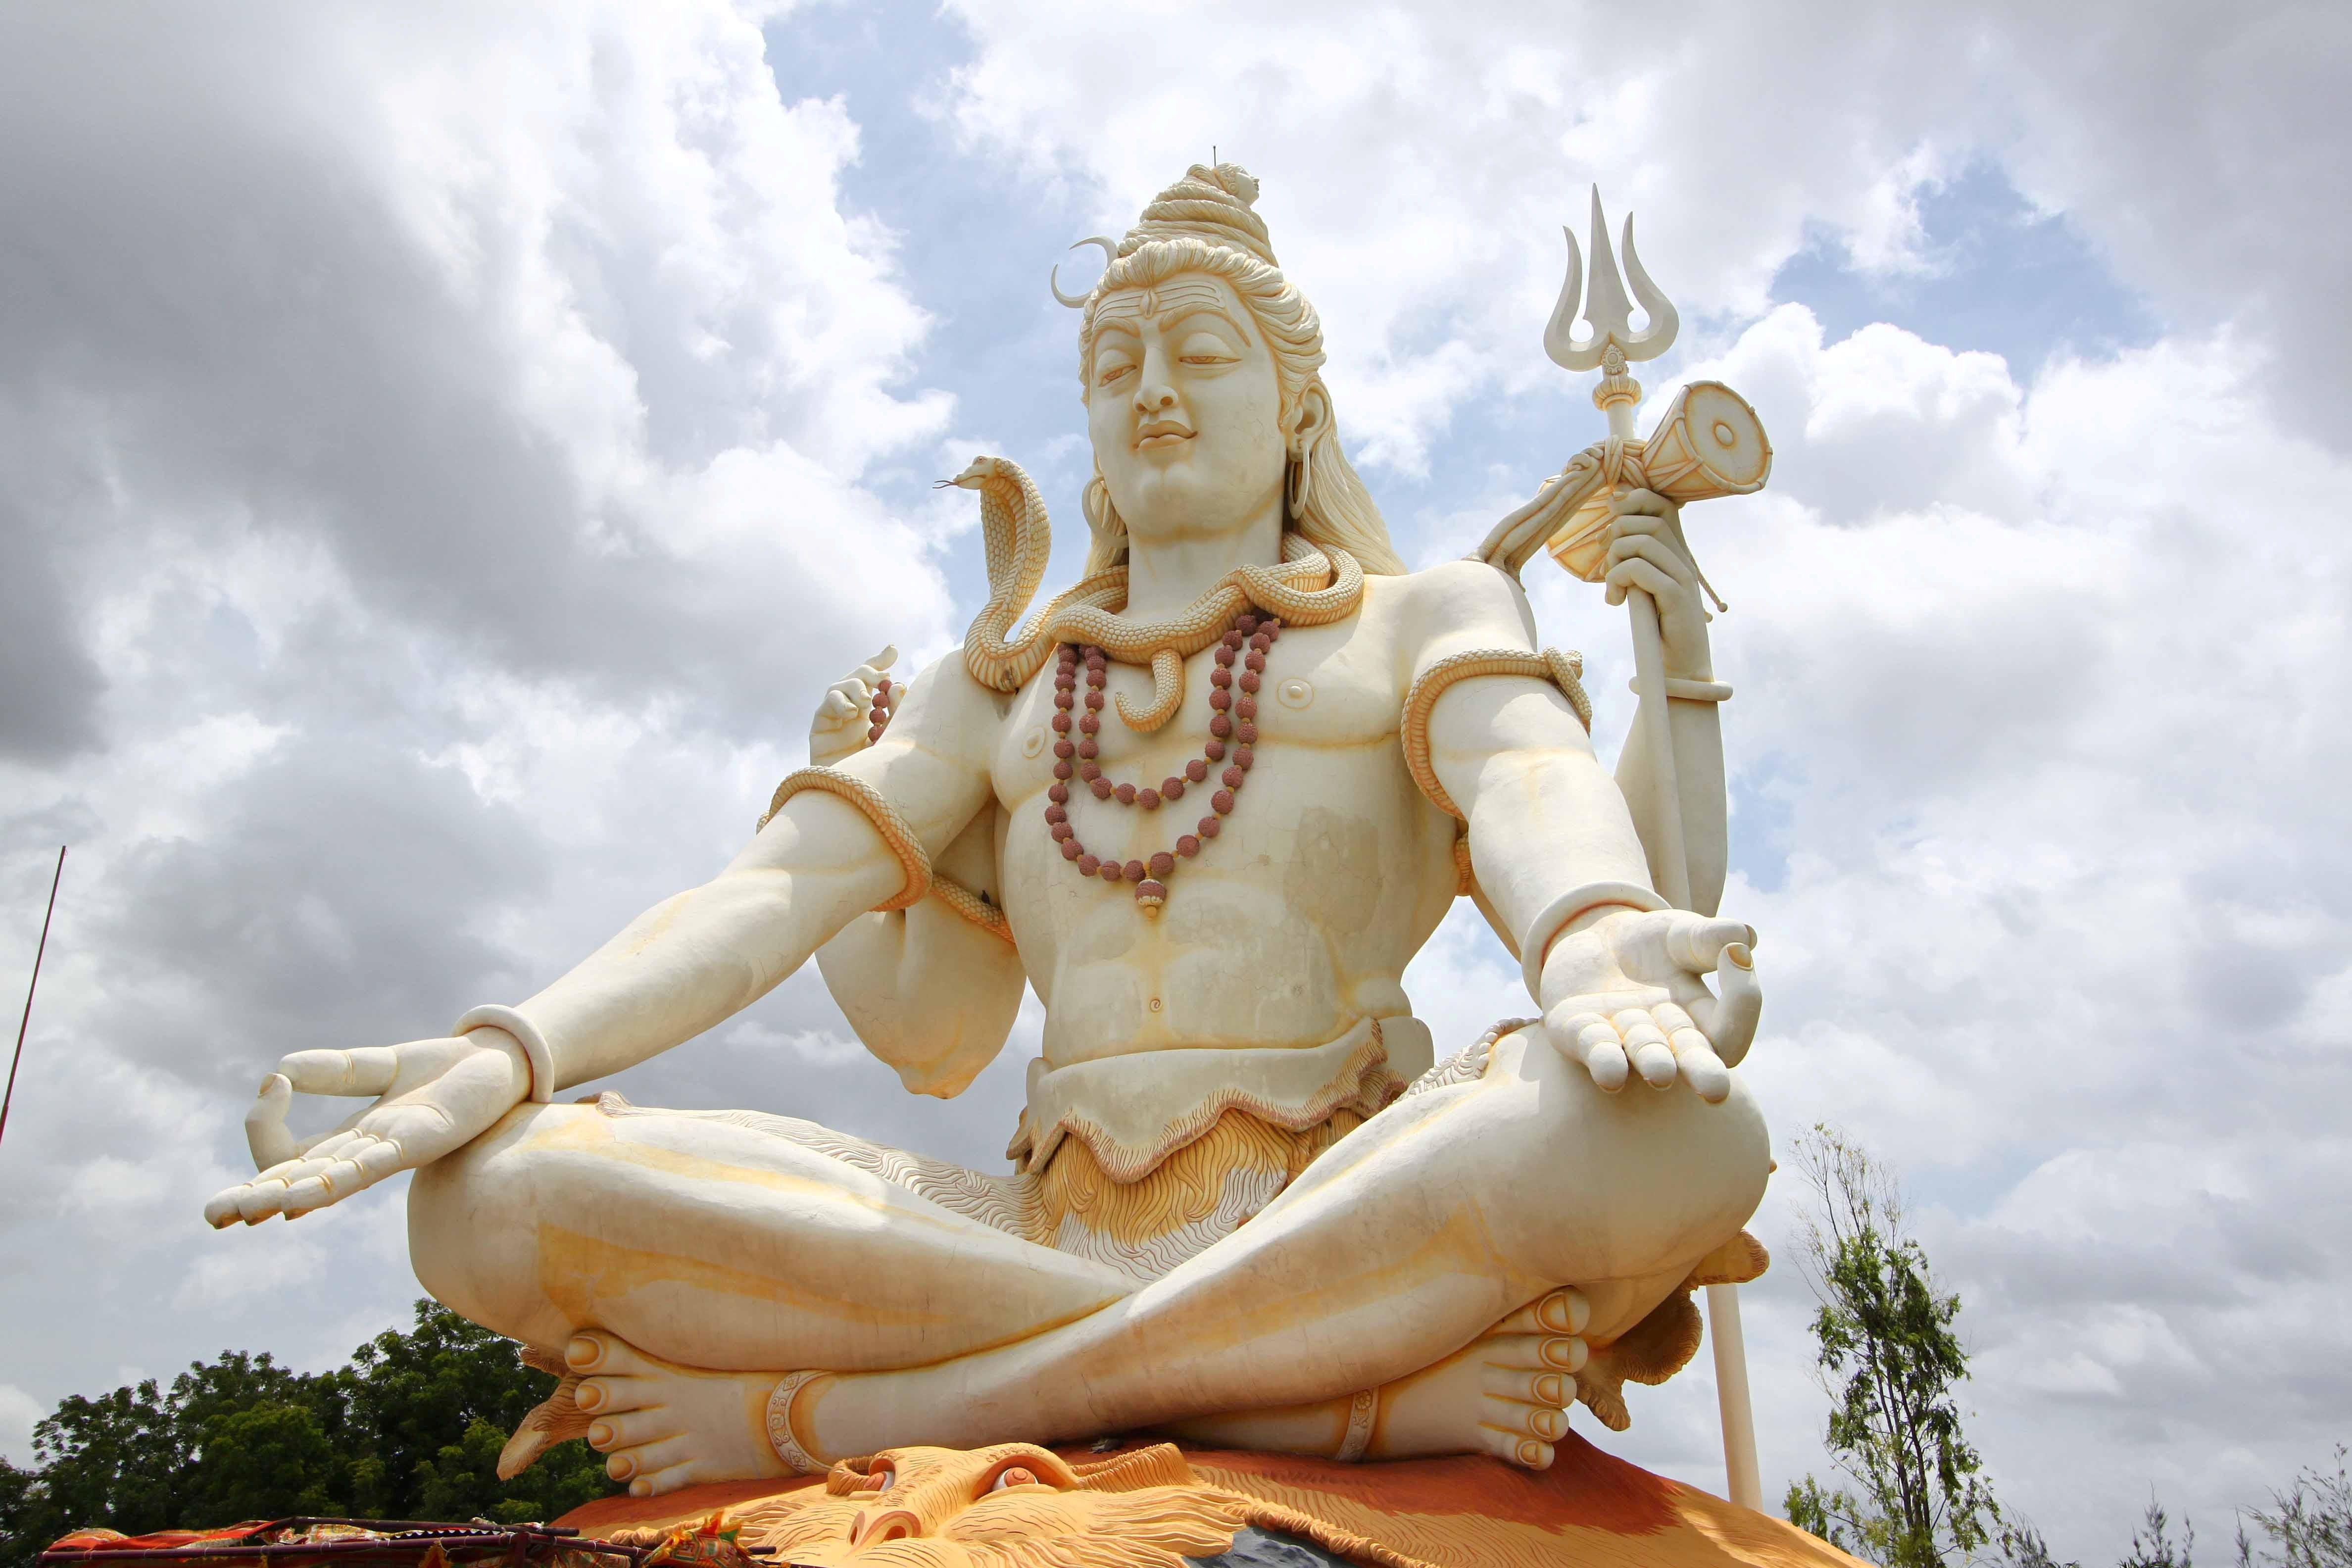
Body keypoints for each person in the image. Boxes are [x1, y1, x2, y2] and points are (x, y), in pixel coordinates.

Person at [206, 164, 1768, 1497]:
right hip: (1049, 1230)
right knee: (483, 1199)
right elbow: (779, 894)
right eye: (1116, 365)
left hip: (1343, 1201)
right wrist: (515, 1050)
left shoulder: (1424, 613)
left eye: (1202, 354)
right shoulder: (1002, 685)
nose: (1153, 392)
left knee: (1675, 1133)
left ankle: (876, 1417)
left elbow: (1533, 782)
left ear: (1298, 405)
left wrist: (1592, 938)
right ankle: (1301, 1392)